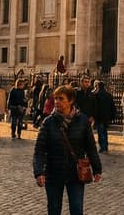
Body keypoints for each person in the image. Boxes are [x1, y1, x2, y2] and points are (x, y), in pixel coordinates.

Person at [33, 85, 102, 215]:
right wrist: (39, 171)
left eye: (61, 99)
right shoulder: (48, 122)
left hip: (75, 173)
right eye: (56, 98)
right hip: (53, 172)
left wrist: (97, 169)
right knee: (54, 209)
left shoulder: (82, 121)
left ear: (71, 101)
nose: (57, 101)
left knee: (76, 209)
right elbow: (39, 149)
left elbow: (91, 147)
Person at [92, 81, 116, 153]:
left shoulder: (96, 94)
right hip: (106, 116)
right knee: (105, 132)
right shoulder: (108, 95)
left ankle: (103, 147)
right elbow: (112, 106)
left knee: (100, 132)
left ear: (98, 86)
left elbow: (94, 107)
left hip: (99, 116)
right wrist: (112, 115)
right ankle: (105, 147)